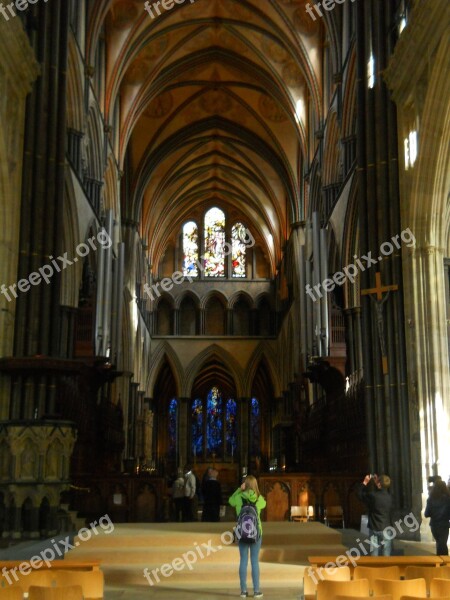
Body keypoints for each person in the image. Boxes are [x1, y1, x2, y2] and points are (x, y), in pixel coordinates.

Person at [229, 475, 266, 598]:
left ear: (244, 484)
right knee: (254, 561)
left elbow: (230, 501)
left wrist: (239, 490)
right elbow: (264, 504)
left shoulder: (239, 497)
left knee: (243, 560)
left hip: (242, 532)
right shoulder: (259, 499)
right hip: (256, 533)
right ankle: (256, 591)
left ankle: (243, 591)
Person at [358, 473, 393, 555]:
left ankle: (375, 568)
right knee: (386, 554)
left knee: (374, 552)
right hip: (386, 527)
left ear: (379, 484)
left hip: (374, 527)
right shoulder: (390, 497)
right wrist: (378, 483)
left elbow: (359, 494)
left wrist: (365, 482)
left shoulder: (373, 496)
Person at [425, 479, 450, 555]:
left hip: (434, 525)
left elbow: (426, 514)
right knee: (442, 545)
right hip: (444, 525)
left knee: (439, 544)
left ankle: (439, 562)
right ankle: (444, 563)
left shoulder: (430, 499)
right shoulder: (448, 500)